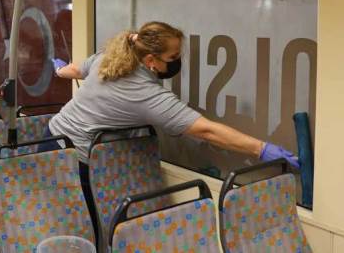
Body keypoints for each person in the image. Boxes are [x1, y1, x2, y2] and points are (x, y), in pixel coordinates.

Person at [49, 22, 300, 227]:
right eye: (173, 57)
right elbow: (206, 130)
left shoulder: (110, 57)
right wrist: (261, 148)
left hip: (56, 136)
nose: (178, 61)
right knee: (86, 227)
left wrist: (59, 70)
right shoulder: (144, 93)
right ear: (151, 59)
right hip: (72, 155)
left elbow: (77, 70)